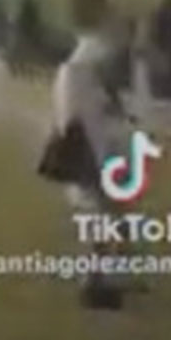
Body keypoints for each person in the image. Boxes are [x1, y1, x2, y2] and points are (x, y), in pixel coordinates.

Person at [46, 26, 133, 309]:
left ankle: (104, 282)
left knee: (111, 223)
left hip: (100, 157)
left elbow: (99, 115)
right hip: (92, 159)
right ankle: (97, 286)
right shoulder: (76, 75)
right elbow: (78, 122)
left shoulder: (80, 75)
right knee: (104, 224)